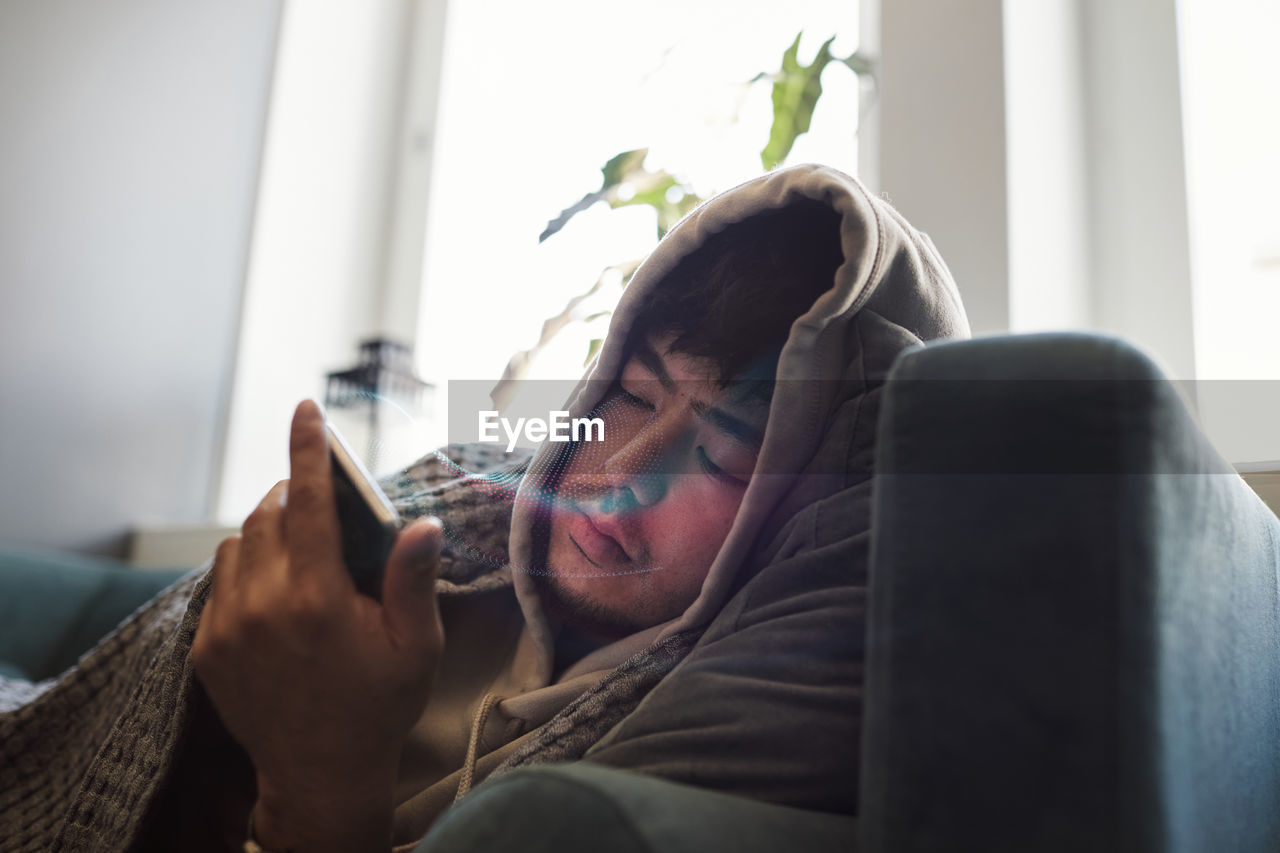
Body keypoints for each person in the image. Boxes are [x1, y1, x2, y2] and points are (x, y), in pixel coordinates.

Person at [0, 164, 970, 852]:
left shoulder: (731, 706)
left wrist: (317, 785)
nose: (619, 467)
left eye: (718, 455)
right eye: (629, 395)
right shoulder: (472, 488)